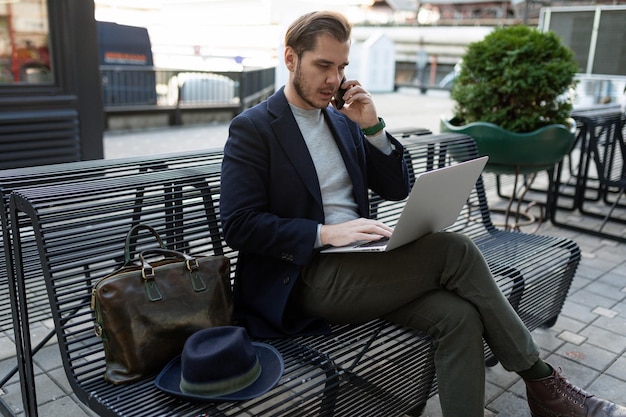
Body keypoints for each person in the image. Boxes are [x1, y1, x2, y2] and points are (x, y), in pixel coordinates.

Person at [220, 10, 626, 417]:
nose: (333, 79)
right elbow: (239, 224)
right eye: (322, 65)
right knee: (455, 251)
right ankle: (544, 384)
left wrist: (374, 129)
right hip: (307, 277)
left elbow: (398, 188)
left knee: (459, 316)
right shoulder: (255, 128)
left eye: (341, 66)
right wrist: (325, 233)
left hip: (365, 266)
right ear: (290, 58)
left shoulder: (342, 121)